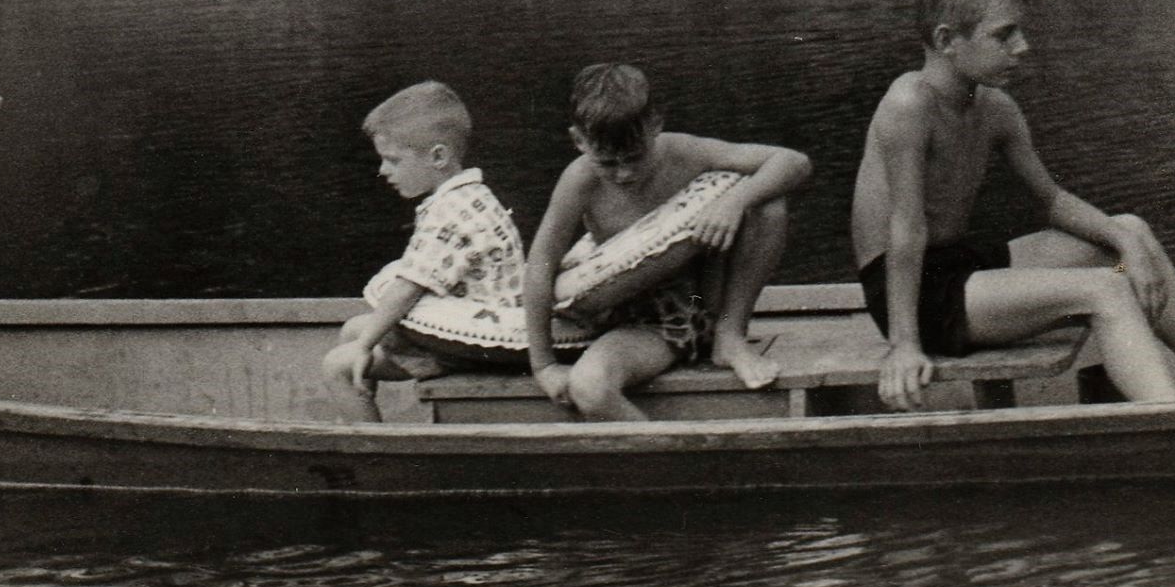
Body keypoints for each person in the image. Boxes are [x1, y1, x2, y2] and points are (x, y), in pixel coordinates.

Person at [851, 0, 1175, 410]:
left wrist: (1126, 246)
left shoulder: (996, 109)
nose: (1022, 47)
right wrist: (904, 345)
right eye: (1004, 35)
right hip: (913, 297)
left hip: (964, 269)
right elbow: (906, 228)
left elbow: (1050, 201)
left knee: (1130, 235)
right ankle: (1173, 416)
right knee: (1104, 289)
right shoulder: (908, 106)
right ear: (947, 40)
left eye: (1019, 31)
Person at [522, 63, 812, 421]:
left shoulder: (684, 152)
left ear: (655, 124)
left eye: (635, 157)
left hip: (699, 299)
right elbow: (540, 263)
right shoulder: (579, 181)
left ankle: (730, 336)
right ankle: (671, 459)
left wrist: (734, 202)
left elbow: (793, 162)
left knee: (768, 201)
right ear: (579, 141)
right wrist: (544, 365)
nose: (624, 173)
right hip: (638, 323)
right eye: (608, 162)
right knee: (589, 387)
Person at [321, 80, 593, 422]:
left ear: (438, 156)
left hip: (469, 346)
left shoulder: (450, 215)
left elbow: (408, 287)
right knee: (352, 330)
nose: (383, 170)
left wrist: (363, 348)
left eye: (393, 160)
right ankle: (369, 421)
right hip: (479, 330)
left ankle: (377, 454)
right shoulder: (471, 194)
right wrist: (363, 340)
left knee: (336, 366)